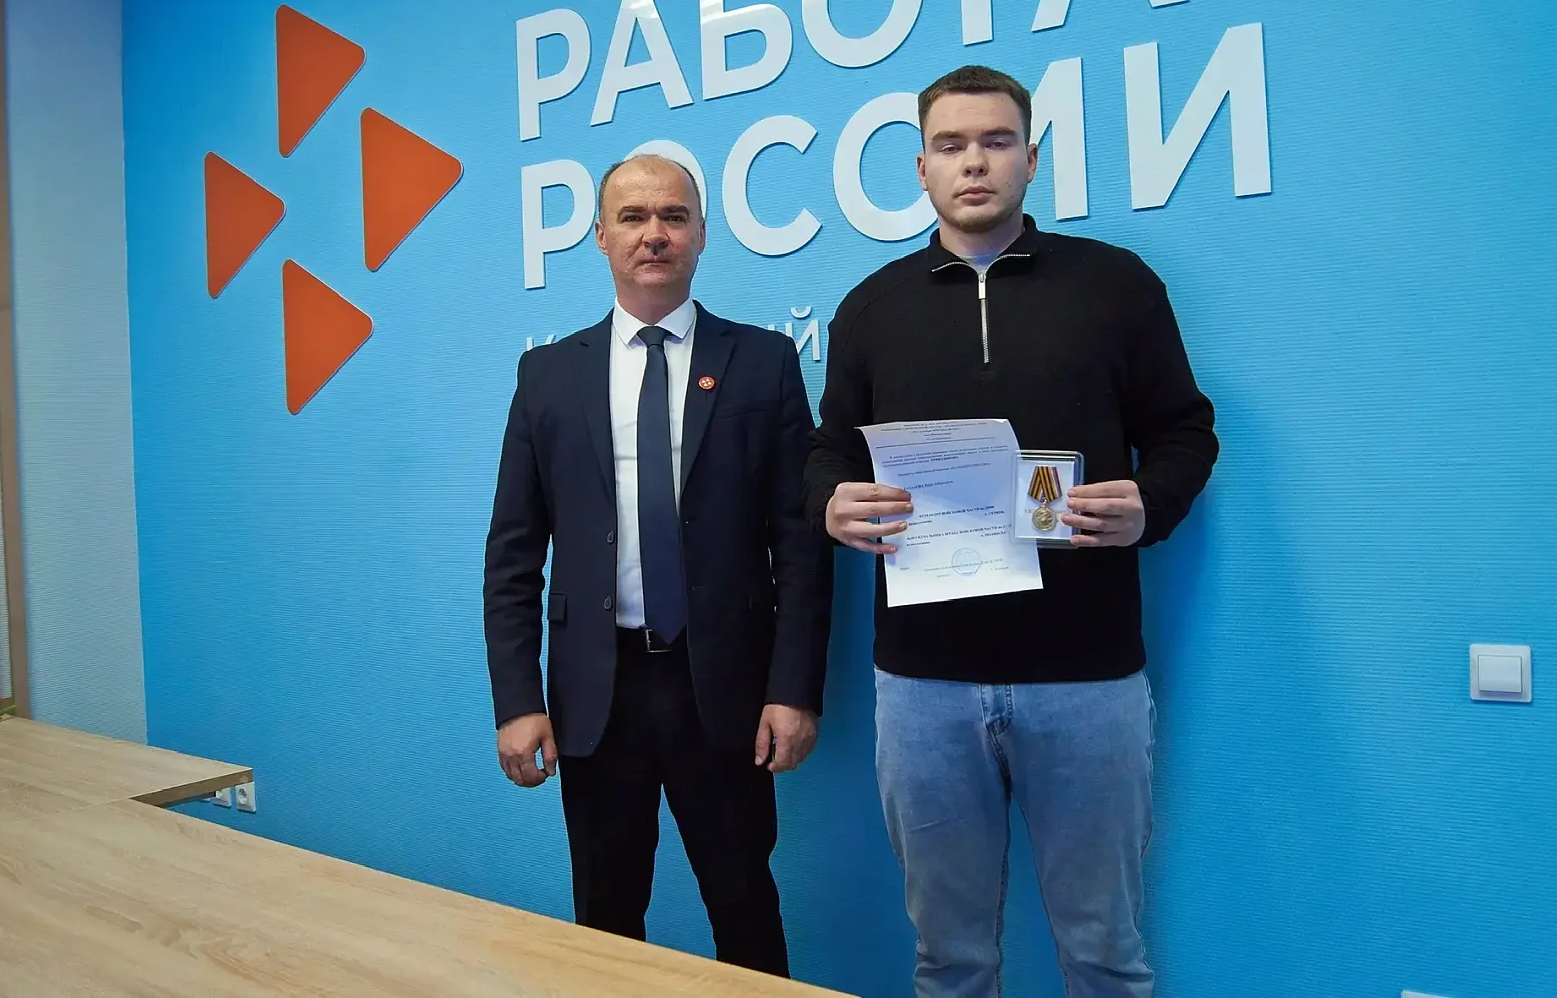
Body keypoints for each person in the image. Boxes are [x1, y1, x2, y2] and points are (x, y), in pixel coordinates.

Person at [803, 66, 1219, 998]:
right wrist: (829, 502)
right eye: (950, 145)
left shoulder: (1115, 285)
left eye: (995, 142)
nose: (974, 162)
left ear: (1030, 159)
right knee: (948, 960)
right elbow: (828, 448)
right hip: (921, 685)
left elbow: (1185, 430)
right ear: (920, 169)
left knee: (1104, 953)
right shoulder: (871, 307)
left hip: (1088, 678)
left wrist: (1148, 504)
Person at [483, 154, 832, 978]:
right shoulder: (547, 375)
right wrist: (518, 702)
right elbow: (513, 553)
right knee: (603, 920)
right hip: (596, 696)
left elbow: (801, 546)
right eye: (633, 216)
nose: (654, 234)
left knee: (745, 908)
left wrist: (792, 690)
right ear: (600, 235)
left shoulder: (762, 362)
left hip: (724, 689)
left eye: (673, 216)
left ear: (701, 234)